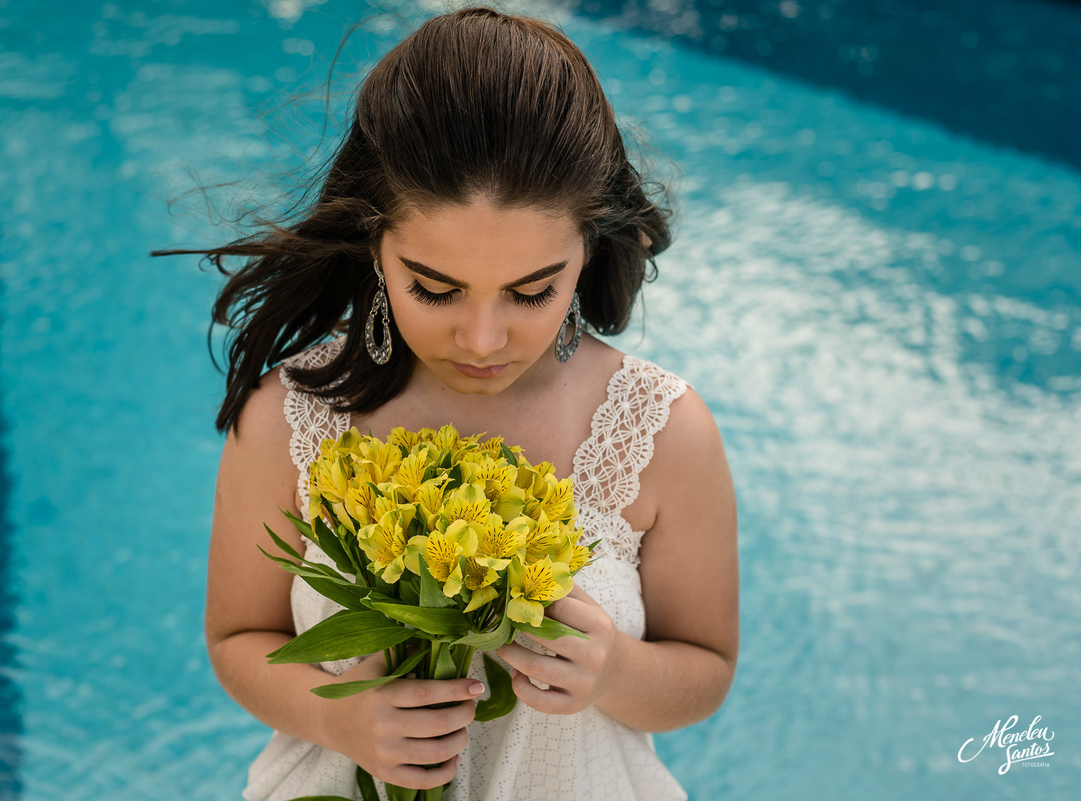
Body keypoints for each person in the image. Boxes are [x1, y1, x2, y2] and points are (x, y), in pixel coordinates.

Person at [189, 7, 738, 800]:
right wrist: (342, 720)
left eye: (532, 290)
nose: (483, 339)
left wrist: (616, 669)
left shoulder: (661, 431)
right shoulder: (288, 418)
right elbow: (237, 637)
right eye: (435, 288)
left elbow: (707, 669)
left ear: (587, 250)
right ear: (374, 241)